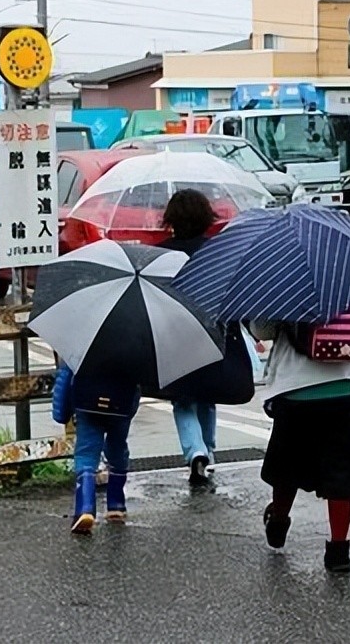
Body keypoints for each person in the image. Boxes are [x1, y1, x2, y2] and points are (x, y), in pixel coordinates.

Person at [249, 320, 350, 573]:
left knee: (288, 463)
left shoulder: (284, 285)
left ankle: (278, 522)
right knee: (342, 472)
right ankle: (339, 551)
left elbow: (262, 330)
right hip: (347, 384)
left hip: (295, 386)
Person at [158, 190, 220, 486]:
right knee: (208, 397)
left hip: (174, 335)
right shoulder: (216, 252)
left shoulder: (160, 254)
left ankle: (195, 451)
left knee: (183, 400)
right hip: (211, 333)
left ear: (171, 220)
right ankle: (207, 451)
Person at [52, 362, 141, 535]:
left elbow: (65, 376)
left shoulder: (83, 342)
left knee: (86, 454)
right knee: (118, 448)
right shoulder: (134, 344)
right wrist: (130, 410)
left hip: (87, 404)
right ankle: (116, 504)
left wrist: (61, 413)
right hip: (121, 405)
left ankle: (85, 508)